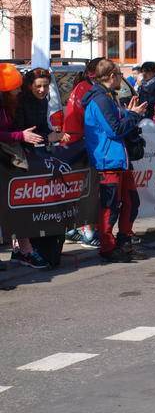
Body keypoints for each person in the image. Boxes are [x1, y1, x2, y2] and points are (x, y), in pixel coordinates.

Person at [82, 59, 148, 263]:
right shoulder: (100, 99)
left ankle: (124, 242)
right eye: (120, 74)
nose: (121, 78)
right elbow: (115, 129)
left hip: (119, 159)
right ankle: (108, 248)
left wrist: (129, 114)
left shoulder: (109, 96)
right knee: (109, 207)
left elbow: (116, 122)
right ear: (112, 76)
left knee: (132, 202)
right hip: (107, 160)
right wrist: (133, 116)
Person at [13, 68, 71, 269]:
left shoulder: (43, 100)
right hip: (17, 158)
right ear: (29, 85)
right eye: (38, 86)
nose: (42, 90)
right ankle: (23, 248)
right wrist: (48, 138)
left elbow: (41, 127)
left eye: (45, 86)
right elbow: (21, 133)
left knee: (29, 205)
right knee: (21, 206)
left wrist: (57, 134)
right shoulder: (21, 101)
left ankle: (23, 247)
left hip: (32, 157)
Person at [0, 64, 48, 270]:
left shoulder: (12, 102)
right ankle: (23, 249)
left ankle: (24, 249)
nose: (20, 90)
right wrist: (21, 135)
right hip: (6, 159)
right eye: (16, 87)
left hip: (9, 160)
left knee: (18, 207)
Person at [62, 57, 104, 248]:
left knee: (77, 189)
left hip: (73, 143)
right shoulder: (90, 90)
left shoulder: (82, 86)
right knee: (89, 190)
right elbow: (95, 120)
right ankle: (89, 232)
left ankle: (72, 230)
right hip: (83, 144)